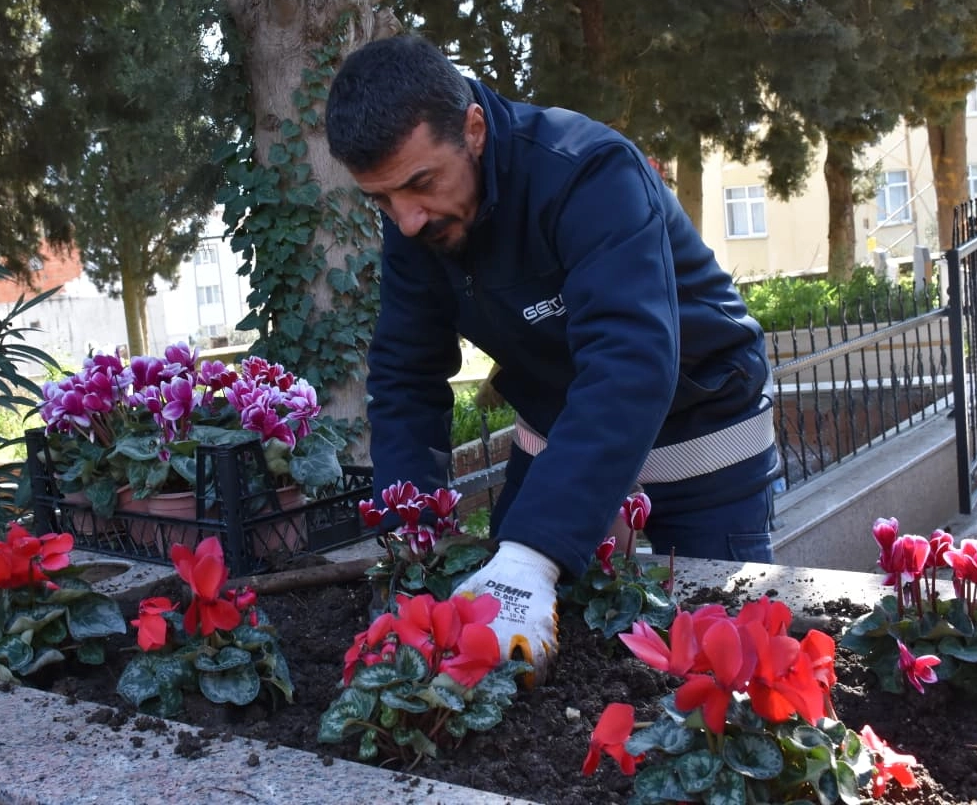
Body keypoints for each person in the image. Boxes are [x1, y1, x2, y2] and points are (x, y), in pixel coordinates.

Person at [324, 34, 781, 677]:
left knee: (726, 670)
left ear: (474, 129)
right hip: (557, 445)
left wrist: (535, 552)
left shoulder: (588, 171)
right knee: (513, 654)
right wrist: (413, 532)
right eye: (382, 200)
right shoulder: (417, 219)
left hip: (702, 443)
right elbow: (405, 373)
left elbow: (630, 361)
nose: (406, 221)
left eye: (421, 184)